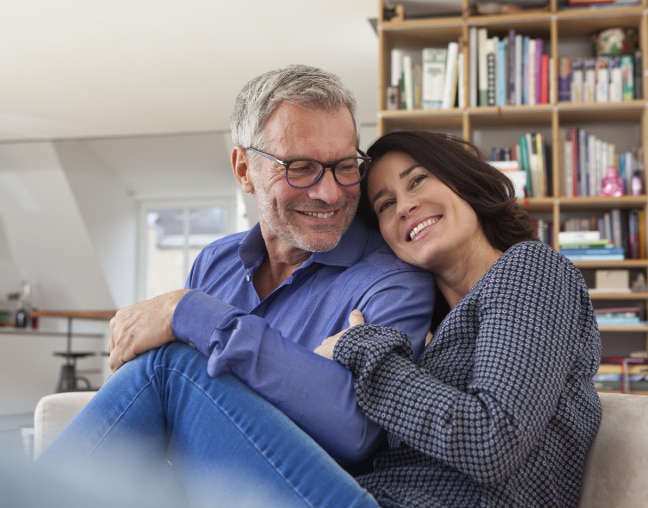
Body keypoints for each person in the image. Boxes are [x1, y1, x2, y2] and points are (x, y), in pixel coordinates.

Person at [28, 68, 435, 507]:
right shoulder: (215, 262)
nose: (331, 193)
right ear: (244, 169)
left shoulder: (394, 280)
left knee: (169, 365)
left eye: (343, 167)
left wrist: (193, 314)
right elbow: (184, 414)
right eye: (301, 168)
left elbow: (357, 432)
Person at [314, 131, 602, 506]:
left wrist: (362, 351)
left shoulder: (530, 267)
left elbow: (491, 442)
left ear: (461, 179)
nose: (403, 207)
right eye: (385, 205)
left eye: (417, 180)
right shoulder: (428, 337)